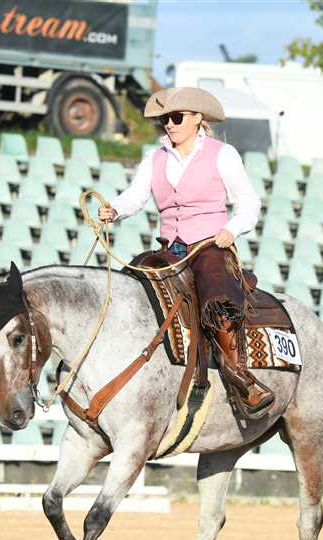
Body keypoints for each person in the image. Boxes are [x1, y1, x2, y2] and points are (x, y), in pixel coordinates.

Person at [98, 86, 274, 417]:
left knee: (217, 298)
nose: (169, 124)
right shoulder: (155, 158)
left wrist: (232, 229)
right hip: (170, 248)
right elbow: (135, 196)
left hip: (210, 245)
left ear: (196, 119)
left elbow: (249, 201)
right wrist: (114, 210)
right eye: (165, 119)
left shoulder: (222, 154)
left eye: (176, 117)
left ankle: (240, 377)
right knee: (131, 283)